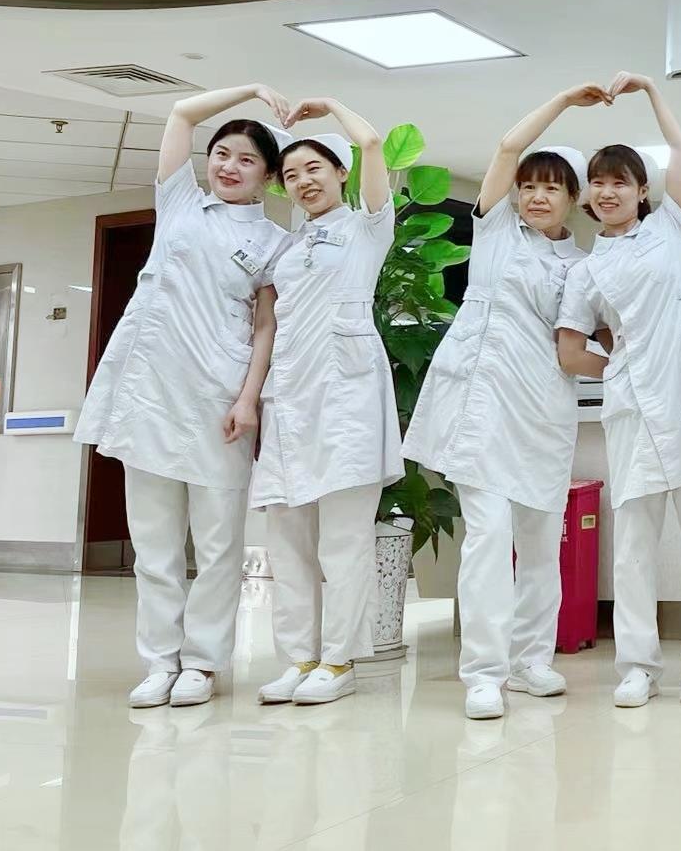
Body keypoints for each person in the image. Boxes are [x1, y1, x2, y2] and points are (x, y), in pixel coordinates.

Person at [78, 84, 294, 709]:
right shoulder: (179, 204)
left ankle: (202, 663)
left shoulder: (274, 243)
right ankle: (158, 662)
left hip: (218, 398)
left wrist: (248, 399)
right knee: (154, 545)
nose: (228, 166)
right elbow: (180, 113)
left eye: (246, 160)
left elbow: (266, 327)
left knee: (220, 544)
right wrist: (251, 89)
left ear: (267, 177)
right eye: (221, 153)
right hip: (149, 392)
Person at [403, 87, 599, 720]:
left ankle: (530, 660)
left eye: (552, 188)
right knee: (488, 535)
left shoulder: (583, 266)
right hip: (482, 404)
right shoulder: (494, 232)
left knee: (541, 539)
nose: (537, 196)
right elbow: (509, 145)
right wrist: (563, 102)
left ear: (575, 199)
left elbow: (582, 343)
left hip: (543, 406)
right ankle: (484, 671)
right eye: (529, 186)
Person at [556, 72, 681, 711]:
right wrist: (618, 367)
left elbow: (680, 149)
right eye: (598, 183)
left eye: (620, 182)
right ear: (587, 196)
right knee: (633, 548)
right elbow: (570, 350)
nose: (608, 192)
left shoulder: (670, 231)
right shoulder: (586, 270)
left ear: (641, 191)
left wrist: (652, 91)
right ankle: (637, 665)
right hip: (632, 409)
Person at [251, 101, 401, 707]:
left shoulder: (367, 229)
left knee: (344, 539)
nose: (303, 181)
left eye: (315, 168)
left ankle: (339, 661)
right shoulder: (289, 247)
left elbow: (373, 142)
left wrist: (332, 107)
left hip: (347, 398)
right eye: (291, 175)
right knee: (287, 537)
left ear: (341, 172)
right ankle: (299, 657)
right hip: (290, 396)